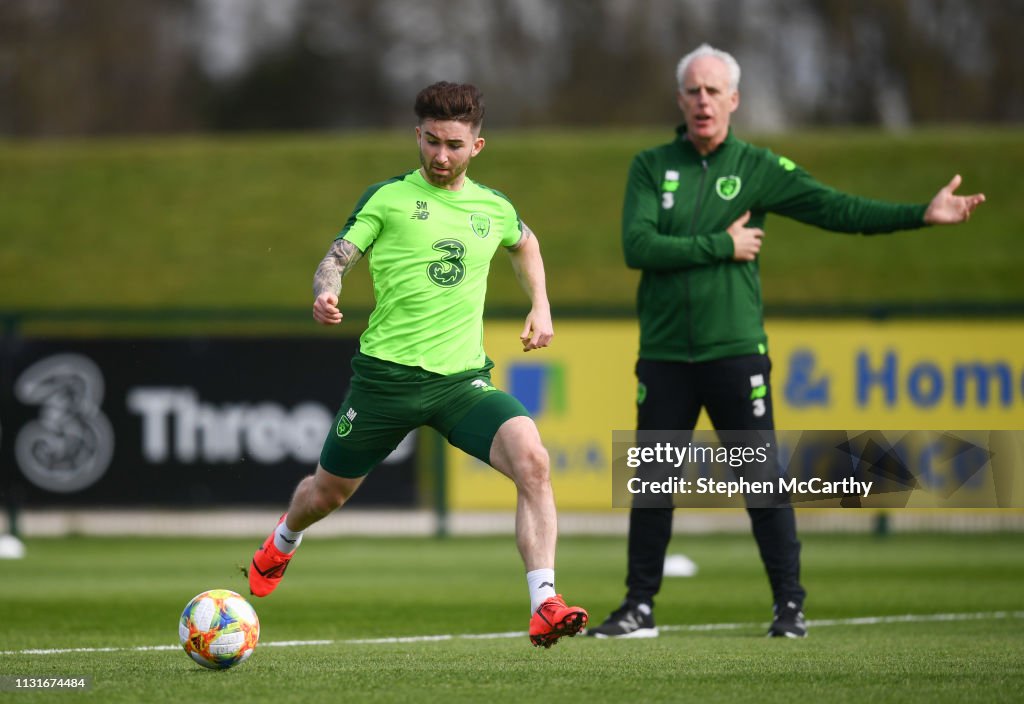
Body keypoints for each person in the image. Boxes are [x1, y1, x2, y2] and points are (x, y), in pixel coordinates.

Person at [587, 44, 985, 639]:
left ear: (734, 101)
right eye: (693, 91)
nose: (703, 101)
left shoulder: (758, 168)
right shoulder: (651, 166)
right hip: (665, 356)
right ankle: (638, 608)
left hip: (734, 353)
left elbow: (837, 208)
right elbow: (636, 247)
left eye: (713, 91)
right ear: (679, 99)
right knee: (654, 487)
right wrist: (722, 245)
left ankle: (789, 607)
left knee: (760, 484)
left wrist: (918, 214)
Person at [247, 81, 588, 649]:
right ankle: (282, 540)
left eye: (453, 144)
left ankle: (545, 603)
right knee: (325, 496)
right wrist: (325, 291)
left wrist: (541, 304)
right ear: (417, 136)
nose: (440, 155)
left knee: (533, 461)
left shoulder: (493, 206)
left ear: (476, 147)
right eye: (430, 142)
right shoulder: (387, 198)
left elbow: (524, 241)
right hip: (386, 380)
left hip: (461, 384)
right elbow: (337, 257)